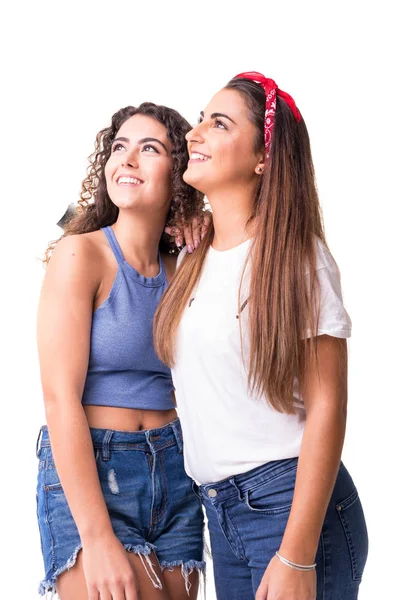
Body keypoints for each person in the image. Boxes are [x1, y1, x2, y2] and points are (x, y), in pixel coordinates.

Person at [155, 72, 369, 600]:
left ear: (263, 157)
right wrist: (180, 217)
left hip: (291, 509)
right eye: (200, 118)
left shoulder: (297, 258)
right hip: (220, 512)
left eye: (218, 123)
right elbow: (81, 226)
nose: (195, 133)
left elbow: (328, 409)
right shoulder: (190, 255)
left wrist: (296, 553)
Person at [36, 102, 207, 600]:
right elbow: (59, 399)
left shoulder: (186, 268)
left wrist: (203, 221)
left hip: (178, 473)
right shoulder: (80, 254)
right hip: (97, 470)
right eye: (118, 147)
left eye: (148, 148)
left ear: (178, 173)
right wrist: (96, 537)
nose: (126, 159)